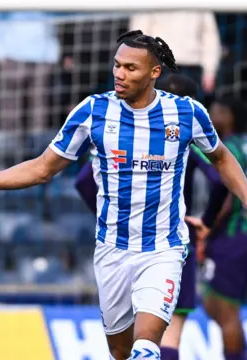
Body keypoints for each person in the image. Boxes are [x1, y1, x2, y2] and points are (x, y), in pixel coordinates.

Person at [0, 30, 247, 360]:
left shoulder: (186, 113)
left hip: (163, 249)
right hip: (112, 251)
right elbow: (43, 167)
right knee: (120, 350)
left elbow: (221, 158)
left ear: (154, 73)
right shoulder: (93, 111)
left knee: (146, 346)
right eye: (117, 65)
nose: (119, 73)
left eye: (131, 68)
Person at [73, 73, 228, 360]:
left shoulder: (123, 138)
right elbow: (219, 179)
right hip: (171, 243)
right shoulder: (187, 142)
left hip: (125, 246)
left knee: (137, 342)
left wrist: (113, 217)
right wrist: (206, 221)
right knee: (165, 336)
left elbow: (83, 181)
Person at [186, 97, 247, 360]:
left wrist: (208, 227)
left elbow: (226, 192)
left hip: (233, 236)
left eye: (219, 110)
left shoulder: (227, 148)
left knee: (222, 309)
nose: (212, 114)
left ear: (232, 116)